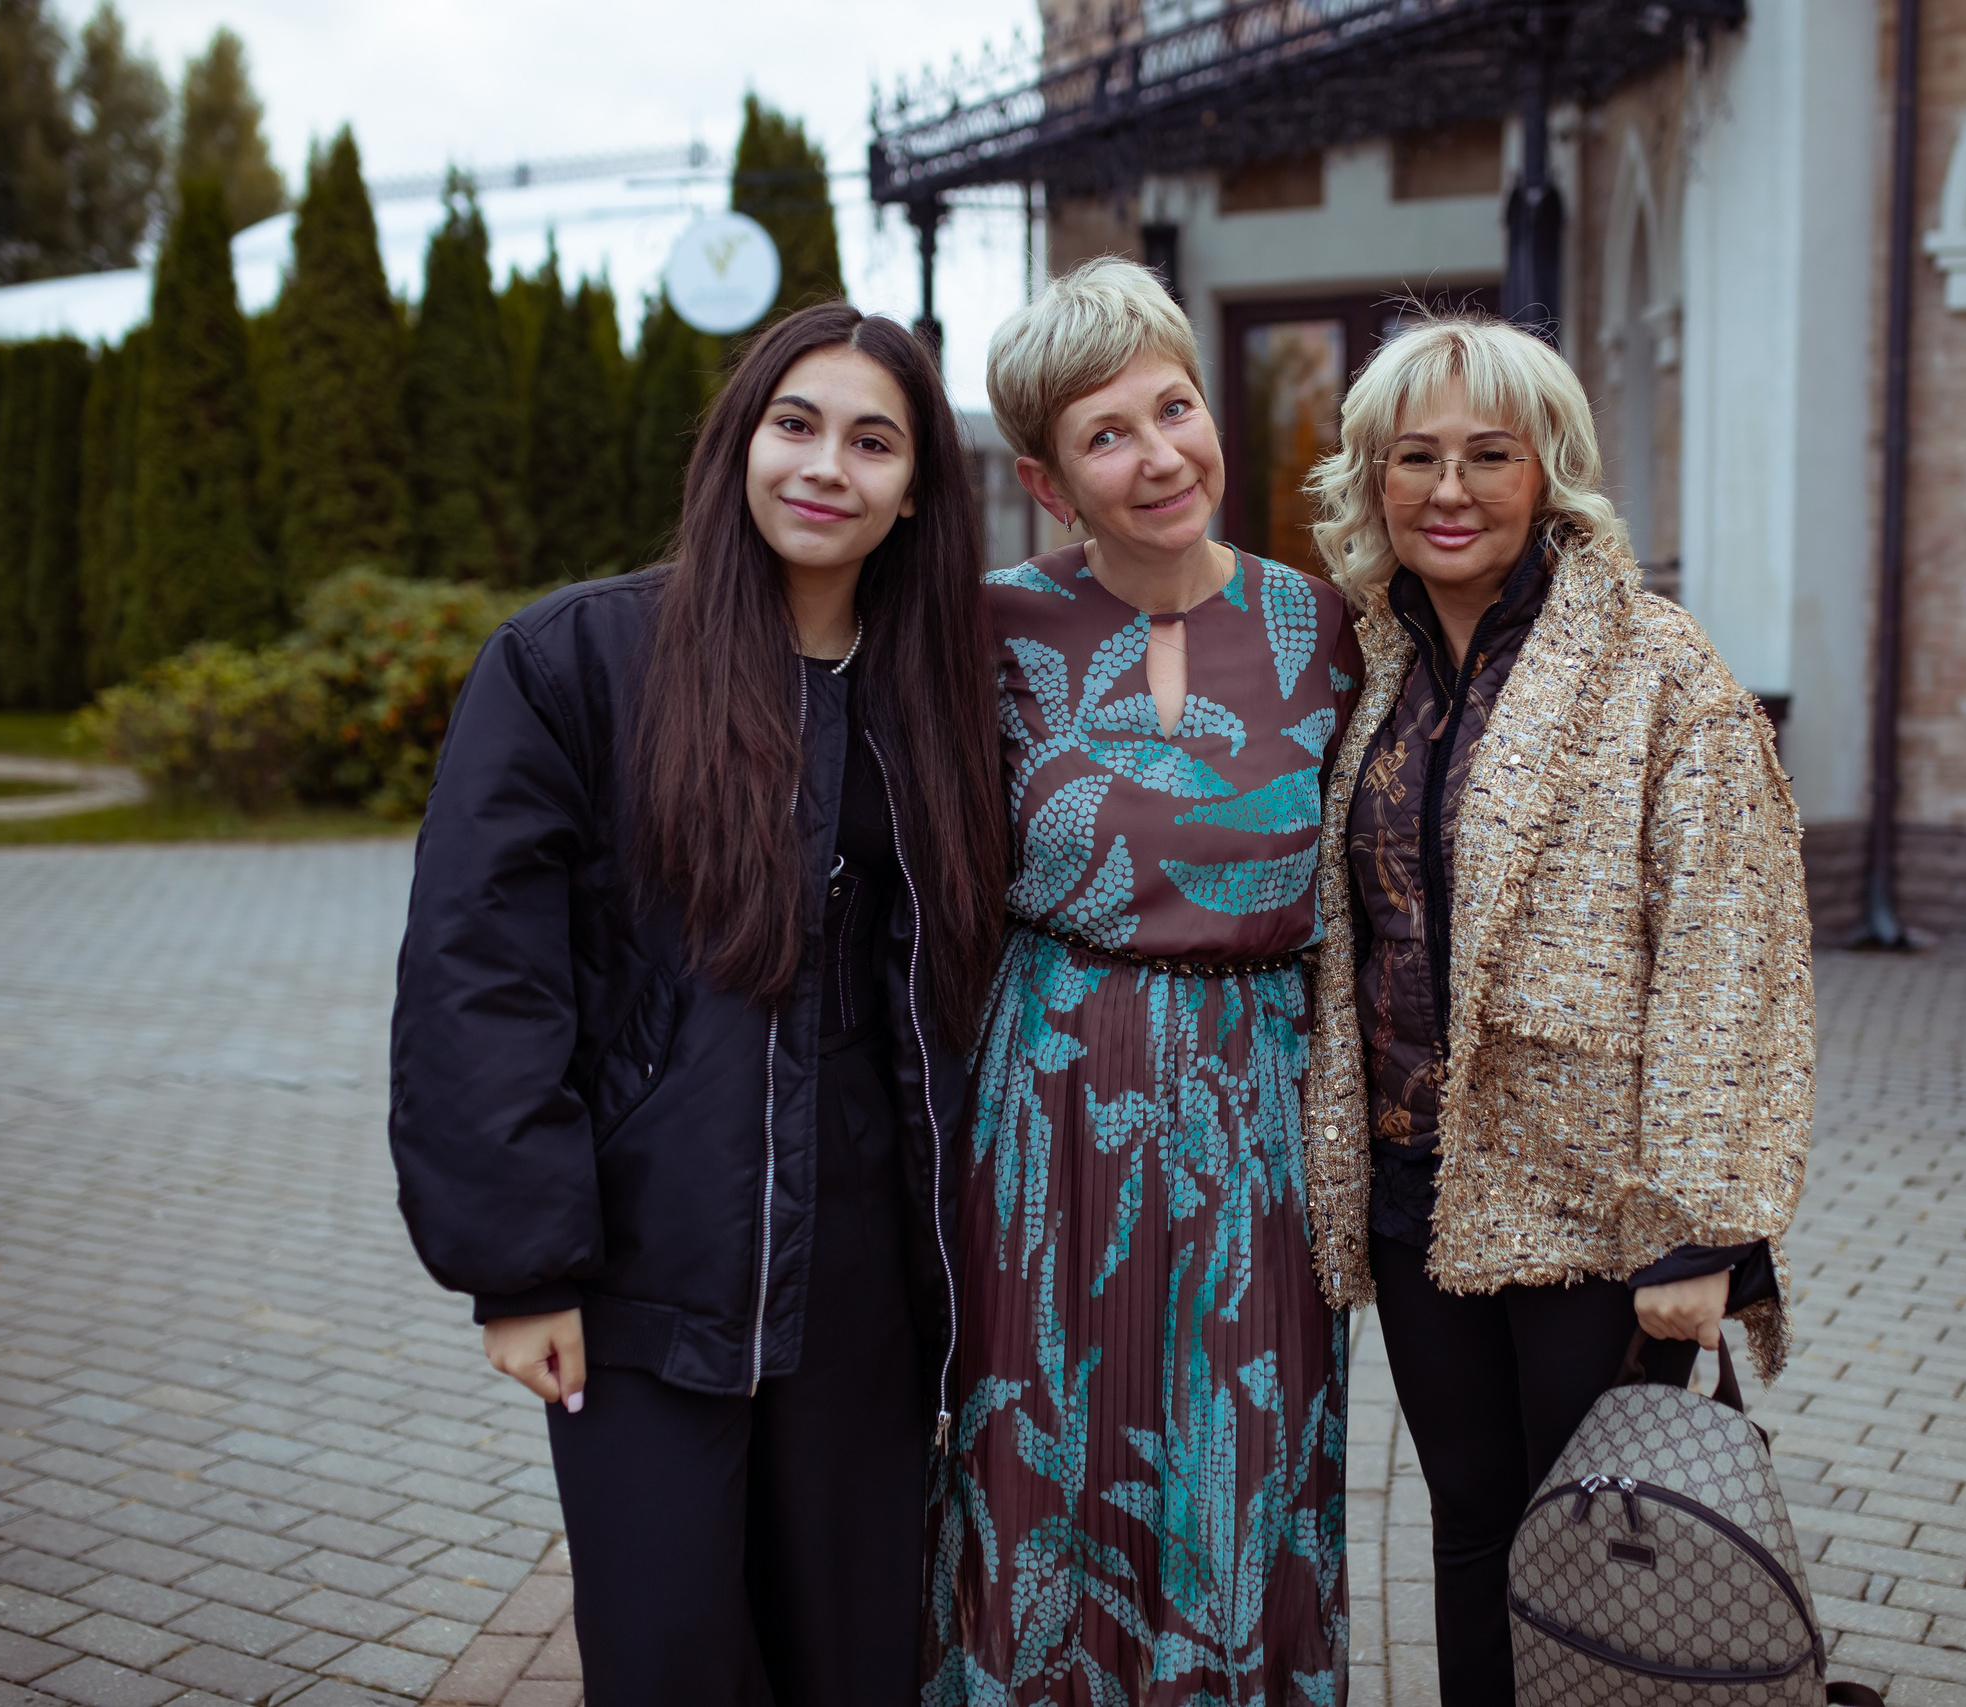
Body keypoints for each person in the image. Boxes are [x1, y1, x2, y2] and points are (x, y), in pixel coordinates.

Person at [388, 302, 1007, 1705]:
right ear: (740, 441)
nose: (826, 468)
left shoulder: (940, 694)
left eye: (873, 442)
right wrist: (524, 1265)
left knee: (854, 1663)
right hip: (648, 1268)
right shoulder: (574, 666)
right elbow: (481, 972)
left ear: (916, 493)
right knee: (668, 1658)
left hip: (867, 1282)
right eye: (796, 425)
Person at [1298, 313, 1815, 1707]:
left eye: (1488, 455)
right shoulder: (1376, 673)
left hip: (1599, 1208)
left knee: (1590, 1541)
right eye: (1415, 457)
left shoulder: (1661, 671)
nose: (1448, 490)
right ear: (1373, 477)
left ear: (1551, 475)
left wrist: (1708, 1231)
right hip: (1422, 1198)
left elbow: (1733, 955)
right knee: (1467, 1526)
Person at [925, 258, 1358, 1705]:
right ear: (1052, 485)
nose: (1160, 453)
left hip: (1261, 1108)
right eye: (1108, 435)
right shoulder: (986, 629)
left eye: (1173, 407)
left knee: (1246, 1454)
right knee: (1044, 1441)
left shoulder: (1335, 630)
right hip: (1049, 1100)